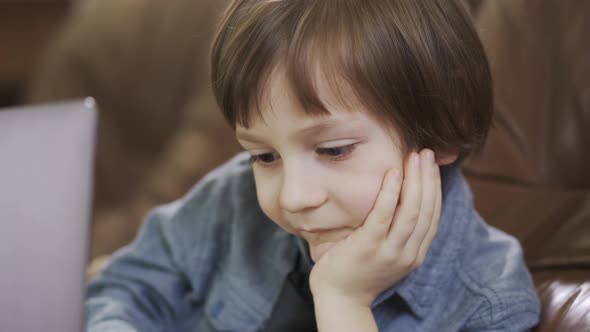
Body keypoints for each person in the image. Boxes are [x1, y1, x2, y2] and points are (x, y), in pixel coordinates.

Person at [86, 0, 541, 331]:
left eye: (334, 150)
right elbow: (124, 288)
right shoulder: (232, 200)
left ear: (443, 125)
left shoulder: (489, 304)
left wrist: (344, 300)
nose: (294, 197)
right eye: (264, 156)